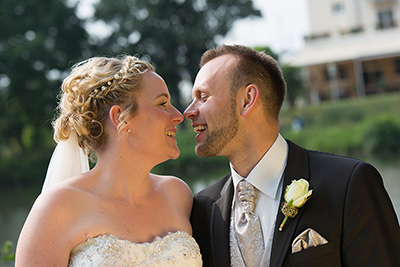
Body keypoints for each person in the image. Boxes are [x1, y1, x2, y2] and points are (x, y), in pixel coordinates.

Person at [184, 44, 400, 267]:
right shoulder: (202, 208)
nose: (188, 111)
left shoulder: (348, 184)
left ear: (247, 100)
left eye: (203, 96)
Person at [16, 55, 202, 266]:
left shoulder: (178, 195)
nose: (178, 115)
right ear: (120, 118)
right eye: (162, 104)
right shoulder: (57, 208)